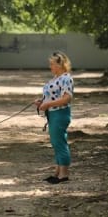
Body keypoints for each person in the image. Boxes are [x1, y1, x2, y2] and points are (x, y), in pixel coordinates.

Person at [35, 51, 74, 184]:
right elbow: (54, 96)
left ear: (60, 64)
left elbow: (67, 98)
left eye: (52, 64)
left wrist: (48, 104)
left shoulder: (66, 78)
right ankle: (58, 172)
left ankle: (64, 174)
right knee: (56, 143)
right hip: (52, 114)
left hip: (60, 113)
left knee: (60, 143)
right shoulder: (56, 79)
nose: (50, 67)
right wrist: (42, 102)